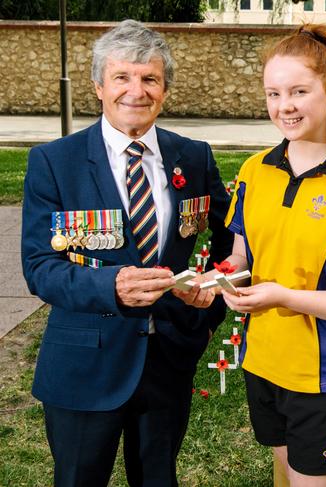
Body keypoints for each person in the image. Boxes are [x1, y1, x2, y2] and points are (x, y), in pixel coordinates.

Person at [21, 20, 233, 487]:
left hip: (168, 360)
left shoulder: (193, 157)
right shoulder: (55, 162)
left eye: (149, 78)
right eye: (122, 77)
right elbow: (39, 268)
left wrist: (212, 293)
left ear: (164, 89)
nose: (135, 91)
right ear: (98, 86)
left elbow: (231, 236)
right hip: (84, 364)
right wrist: (110, 285)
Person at [207, 23, 326, 487]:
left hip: (325, 379)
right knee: (289, 476)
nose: (284, 106)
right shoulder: (255, 171)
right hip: (263, 362)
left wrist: (285, 296)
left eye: (298, 91)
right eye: (273, 93)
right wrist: (220, 281)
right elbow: (241, 255)